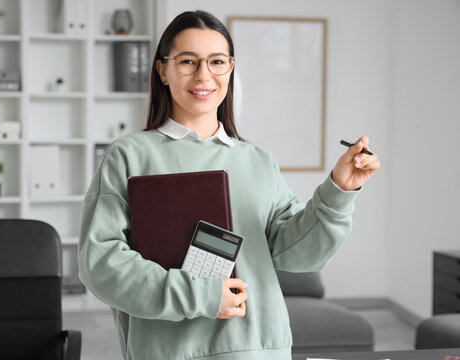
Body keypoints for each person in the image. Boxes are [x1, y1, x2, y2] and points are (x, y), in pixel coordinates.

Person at [78, 10, 380, 360]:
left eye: (217, 61)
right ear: (163, 70)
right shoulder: (129, 156)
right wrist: (201, 296)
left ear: (230, 69)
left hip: (261, 351)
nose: (204, 74)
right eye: (188, 61)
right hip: (169, 353)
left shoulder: (258, 161)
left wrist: (339, 190)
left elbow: (298, 253)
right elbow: (100, 262)